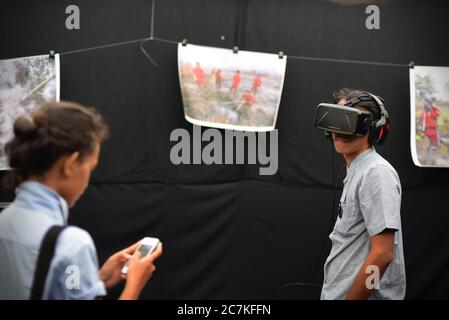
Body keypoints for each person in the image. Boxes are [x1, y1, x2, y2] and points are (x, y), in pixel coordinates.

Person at [0, 102, 162, 300]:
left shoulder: (4, 221)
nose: (87, 181)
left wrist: (97, 280)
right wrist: (135, 283)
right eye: (90, 168)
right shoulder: (72, 245)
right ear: (70, 165)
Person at [320, 88, 406, 300]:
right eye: (337, 119)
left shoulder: (376, 172)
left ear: (374, 129)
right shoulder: (358, 170)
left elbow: (383, 255)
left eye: (353, 121)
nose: (341, 130)